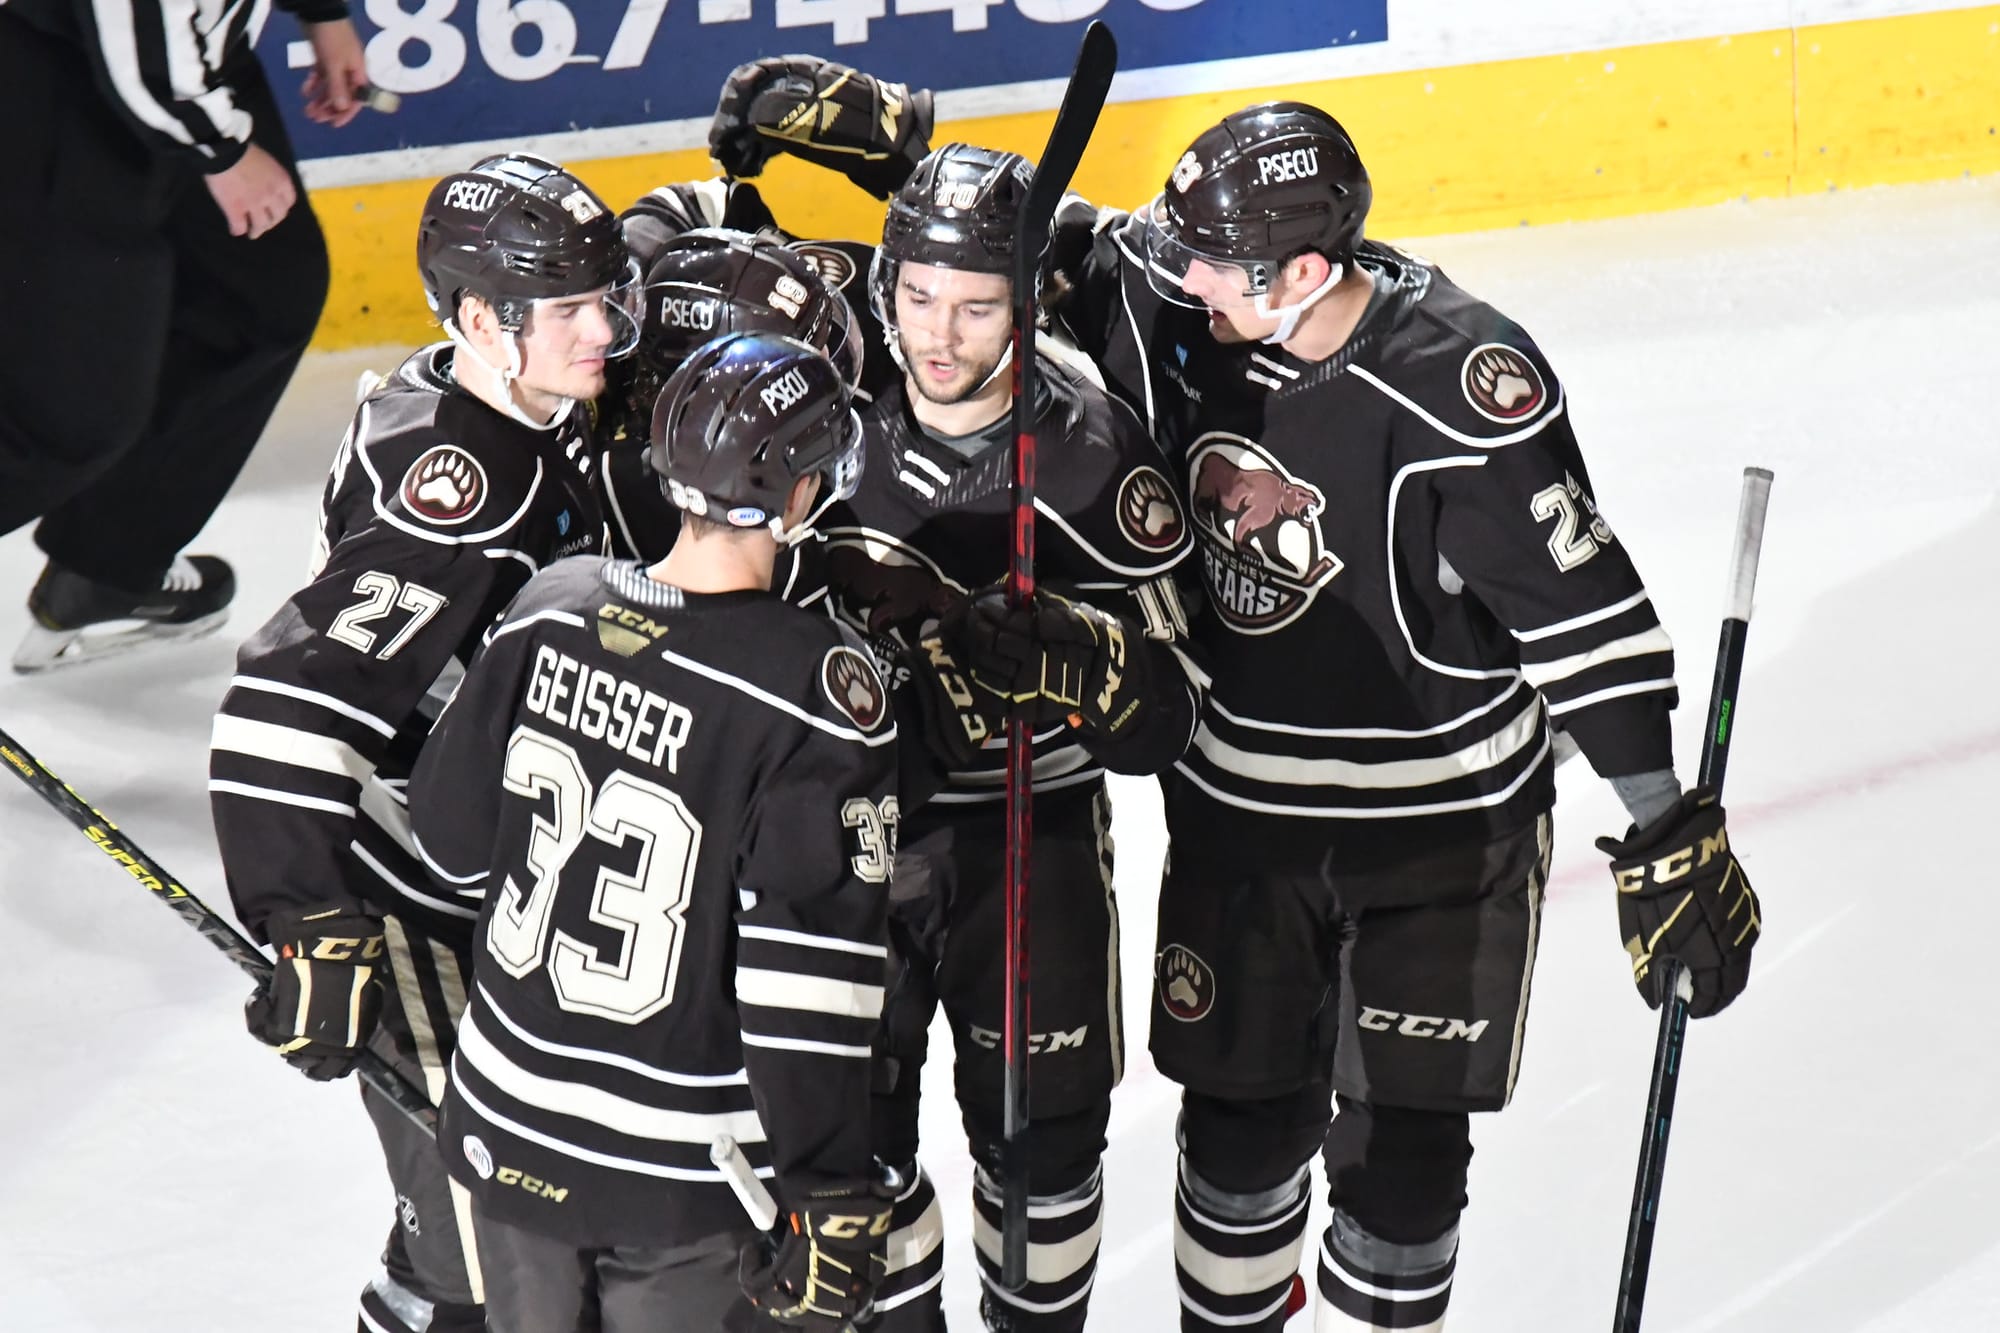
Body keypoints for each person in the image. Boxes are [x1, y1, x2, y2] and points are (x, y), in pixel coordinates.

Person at [1028, 103, 1764, 1331]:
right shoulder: (1183, 297)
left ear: (1304, 272)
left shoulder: (1461, 388)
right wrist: (910, 146)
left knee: (1403, 1158)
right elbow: (1055, 238)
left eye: (1214, 259)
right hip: (1242, 821)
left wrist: (1661, 824)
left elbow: (1581, 620)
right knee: (1236, 1127)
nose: (1184, 272)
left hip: (1443, 836)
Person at [762, 137, 1202, 1331]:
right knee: (852, 1156)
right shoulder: (821, 422)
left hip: (1031, 840)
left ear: (1025, 300)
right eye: (914, 297)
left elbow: (1175, 705)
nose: (936, 337)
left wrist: (1092, 659)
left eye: (975, 306)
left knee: (1045, 1152)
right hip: (848, 851)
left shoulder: (1093, 451)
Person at [209, 152, 638, 1333]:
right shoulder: (463, 493)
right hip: (419, 897)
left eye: (602, 297)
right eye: (566, 312)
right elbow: (289, 698)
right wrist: (304, 918)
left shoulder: (506, 397)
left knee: (527, 1229)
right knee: (479, 1249)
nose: (602, 329)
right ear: (478, 321)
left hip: (509, 874)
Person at [405, 332, 897, 1332]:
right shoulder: (813, 692)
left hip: (506, 1124)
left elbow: (450, 842)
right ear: (800, 495)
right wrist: (826, 1183)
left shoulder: (551, 603)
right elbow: (803, 981)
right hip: (680, 1171)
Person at [1, 0, 370, 670]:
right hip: (63, 73)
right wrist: (217, 148)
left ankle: (108, 565)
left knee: (263, 294)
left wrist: (322, 13)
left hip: (185, 58)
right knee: (66, 421)